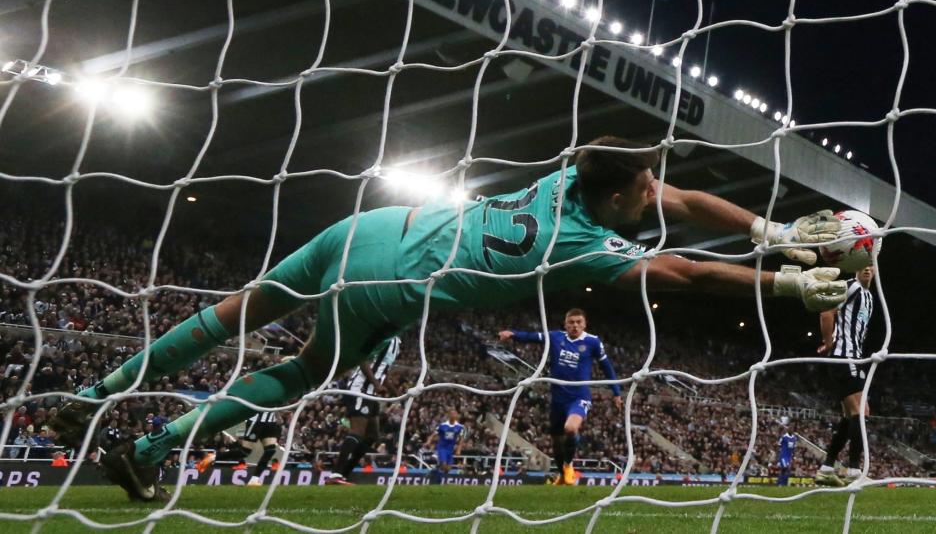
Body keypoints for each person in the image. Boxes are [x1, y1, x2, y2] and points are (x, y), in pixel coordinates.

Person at [51, 135, 847, 501]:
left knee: (230, 314)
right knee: (308, 370)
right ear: (616, 199)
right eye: (647, 192)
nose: (658, 198)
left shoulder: (576, 175)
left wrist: (767, 230)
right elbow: (685, 272)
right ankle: (149, 448)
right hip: (394, 279)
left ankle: (87, 404)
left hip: (369, 226)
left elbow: (679, 201)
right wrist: (783, 284)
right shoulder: (582, 245)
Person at [498, 308, 621, 485]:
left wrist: (616, 393)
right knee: (556, 441)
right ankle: (562, 475)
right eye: (571, 322)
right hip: (557, 398)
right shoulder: (556, 337)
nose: (575, 325)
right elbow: (532, 337)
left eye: (579, 322)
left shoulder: (593, 342)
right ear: (565, 324)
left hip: (579, 396)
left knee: (570, 428)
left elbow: (607, 368)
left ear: (584, 324)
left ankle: (569, 465)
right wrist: (512, 334)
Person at [815, 265, 875, 486]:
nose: (867, 269)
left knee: (854, 414)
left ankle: (827, 468)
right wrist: (829, 343)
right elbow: (826, 312)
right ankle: (854, 471)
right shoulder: (850, 287)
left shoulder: (869, 297)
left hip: (854, 358)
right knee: (861, 411)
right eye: (863, 265)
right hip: (843, 356)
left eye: (871, 266)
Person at [327, 337, 402, 485]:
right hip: (360, 389)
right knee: (357, 432)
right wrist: (375, 383)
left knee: (372, 436)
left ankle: (344, 473)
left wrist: (397, 394)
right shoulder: (384, 339)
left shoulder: (397, 343)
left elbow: (383, 372)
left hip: (372, 393)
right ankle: (336, 474)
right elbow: (363, 360)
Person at [196, 409, 282, 486]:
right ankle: (213, 457)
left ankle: (254, 480)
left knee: (270, 450)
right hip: (256, 421)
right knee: (245, 451)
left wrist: (278, 415)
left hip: (271, 422)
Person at [425, 409, 465, 484]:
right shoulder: (443, 425)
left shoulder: (459, 427)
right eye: (452, 414)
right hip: (442, 447)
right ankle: (437, 480)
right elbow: (434, 434)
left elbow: (461, 439)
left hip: (450, 449)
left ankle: (434, 472)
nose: (454, 415)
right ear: (449, 415)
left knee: (447, 469)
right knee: (443, 465)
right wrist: (428, 441)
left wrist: (459, 449)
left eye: (455, 414)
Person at [777, 418, 798, 486]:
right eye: (790, 428)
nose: (791, 429)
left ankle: (780, 483)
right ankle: (783, 483)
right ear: (788, 429)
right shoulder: (784, 437)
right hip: (783, 456)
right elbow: (778, 445)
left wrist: (794, 456)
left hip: (789, 457)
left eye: (792, 428)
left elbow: (794, 448)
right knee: (787, 468)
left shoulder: (794, 438)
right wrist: (779, 454)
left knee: (784, 470)